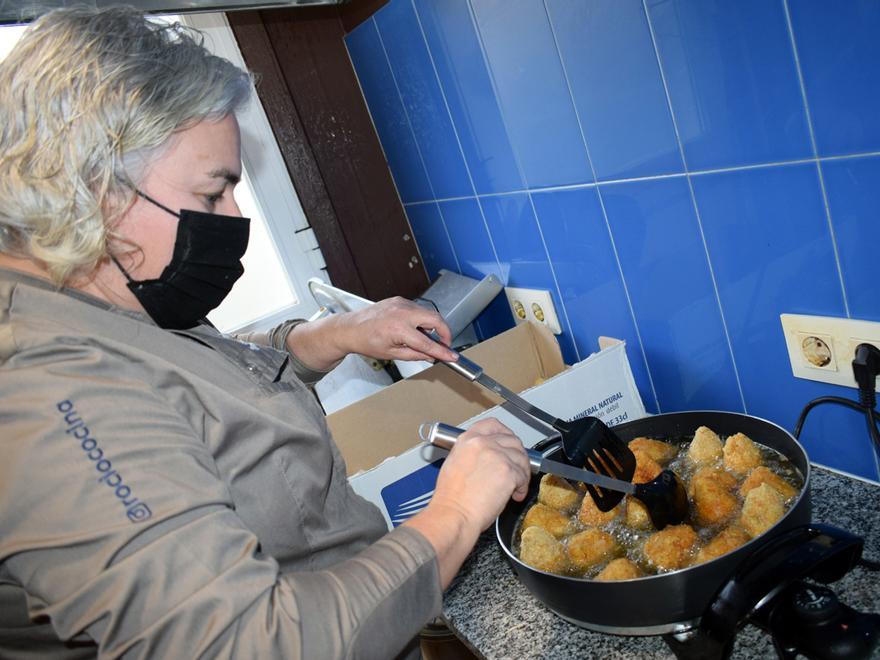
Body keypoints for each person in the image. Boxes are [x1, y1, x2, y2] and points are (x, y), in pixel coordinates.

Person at [0, 7, 531, 659]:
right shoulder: (42, 386)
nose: (234, 216)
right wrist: (453, 516)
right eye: (214, 191)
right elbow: (248, 644)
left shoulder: (95, 286)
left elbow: (195, 378)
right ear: (98, 190)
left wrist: (336, 334)